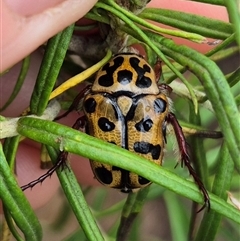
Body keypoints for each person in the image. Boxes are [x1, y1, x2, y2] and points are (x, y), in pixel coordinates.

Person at [1, 0, 228, 210]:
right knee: (168, 116)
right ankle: (187, 163)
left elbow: (80, 109)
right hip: (134, 172)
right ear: (152, 77)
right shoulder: (154, 98)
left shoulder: (95, 97)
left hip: (112, 172)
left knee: (81, 119)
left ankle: (60, 162)